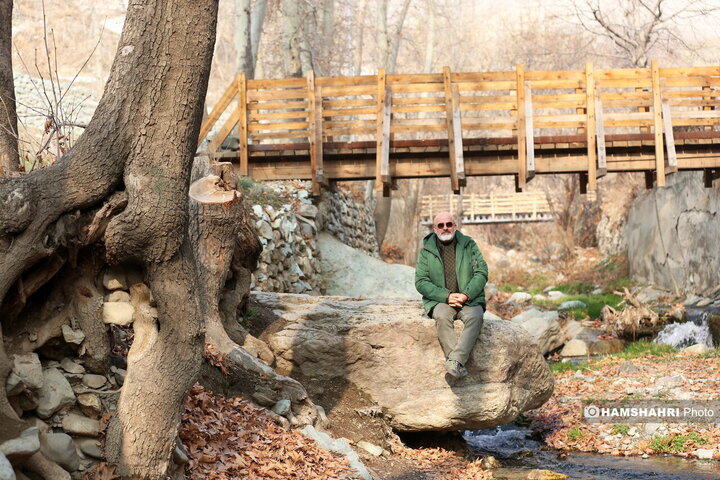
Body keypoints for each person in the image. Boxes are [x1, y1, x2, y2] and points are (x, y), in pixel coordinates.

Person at [415, 212, 488, 379]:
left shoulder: (469, 245)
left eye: (449, 224)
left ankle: (454, 361)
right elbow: (421, 281)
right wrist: (446, 296)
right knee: (441, 316)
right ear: (434, 229)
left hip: (468, 299)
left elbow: (481, 272)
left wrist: (466, 294)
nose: (445, 228)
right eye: (440, 225)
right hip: (441, 300)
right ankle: (456, 363)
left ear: (455, 226)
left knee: (476, 317)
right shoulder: (426, 250)